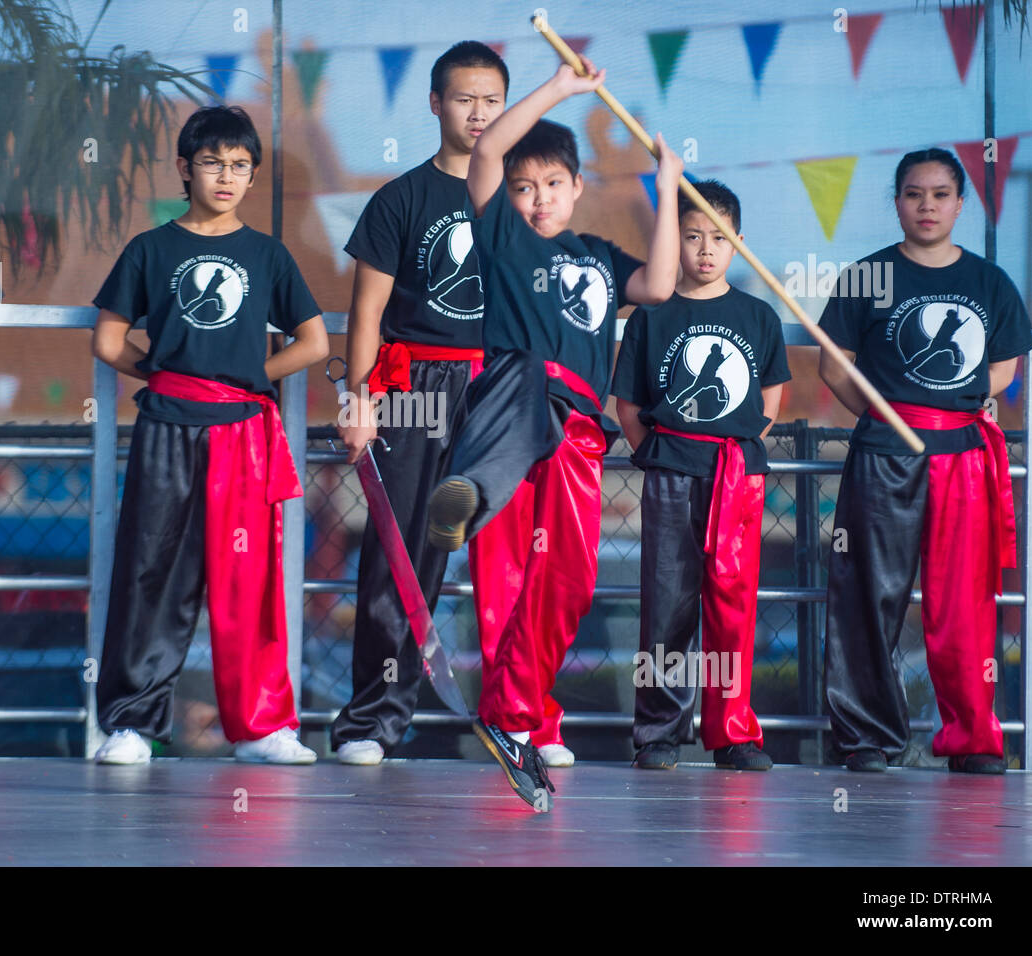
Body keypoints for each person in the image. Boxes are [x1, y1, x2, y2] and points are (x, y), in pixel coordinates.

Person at [427, 54, 682, 806]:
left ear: (577, 189)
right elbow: (486, 153)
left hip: (578, 426)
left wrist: (666, 192)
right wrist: (561, 89)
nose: (537, 199)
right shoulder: (504, 239)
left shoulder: (598, 257)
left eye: (552, 186)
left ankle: (515, 715)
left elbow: (661, 286)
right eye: (524, 187)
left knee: (566, 582)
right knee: (514, 424)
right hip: (518, 385)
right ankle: (470, 489)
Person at [330, 42, 573, 767]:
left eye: (492, 101)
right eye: (464, 99)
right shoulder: (400, 199)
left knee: (517, 556)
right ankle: (373, 721)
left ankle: (525, 722)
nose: (478, 113)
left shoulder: (518, 199)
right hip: (416, 389)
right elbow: (366, 310)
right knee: (400, 554)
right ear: (435, 104)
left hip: (501, 387)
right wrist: (360, 396)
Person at [91, 105, 328, 765]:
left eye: (240, 166)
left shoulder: (268, 255)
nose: (226, 176)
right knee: (150, 570)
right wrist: (167, 375)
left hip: (243, 434)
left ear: (252, 176)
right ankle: (132, 723)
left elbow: (313, 343)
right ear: (184, 169)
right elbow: (108, 338)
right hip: (167, 426)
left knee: (248, 579)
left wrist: (249, 379)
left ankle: (259, 728)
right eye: (212, 162)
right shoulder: (150, 249)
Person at [818, 148, 1032, 775]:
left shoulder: (990, 283)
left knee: (963, 600)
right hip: (885, 452)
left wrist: (971, 403)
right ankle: (867, 738)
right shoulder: (867, 276)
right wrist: (885, 413)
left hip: (963, 456)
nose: (928, 205)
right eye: (915, 194)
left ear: (961, 204)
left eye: (941, 194)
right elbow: (834, 365)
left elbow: (1003, 364)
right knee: (868, 593)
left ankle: (970, 737)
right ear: (897, 203)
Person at [613, 180, 789, 771]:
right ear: (674, 241)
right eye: (692, 237)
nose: (705, 250)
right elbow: (630, 407)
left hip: (735, 476)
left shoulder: (758, 316)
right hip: (670, 469)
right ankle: (658, 731)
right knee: (666, 602)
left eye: (718, 237)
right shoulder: (651, 315)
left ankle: (733, 733)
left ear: (738, 243)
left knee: (732, 604)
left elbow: (771, 396)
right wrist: (664, 453)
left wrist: (734, 452)